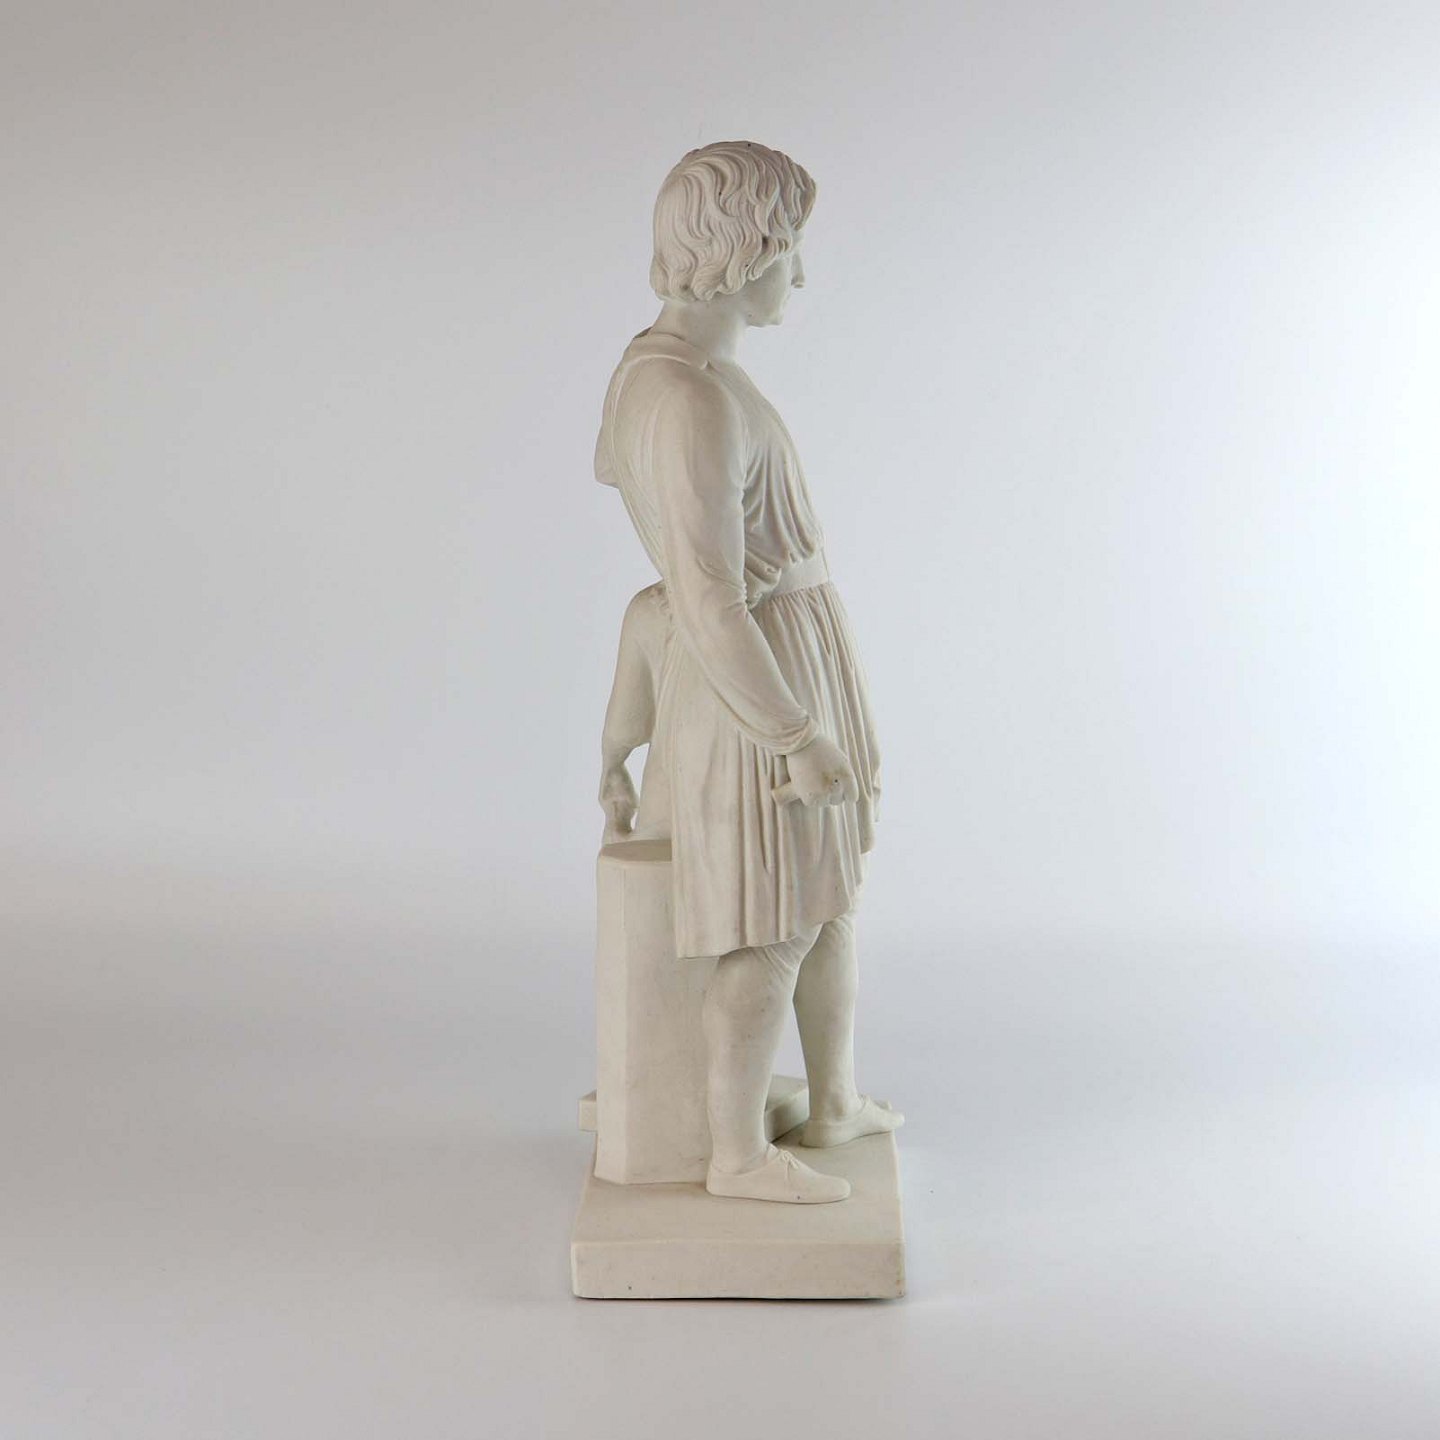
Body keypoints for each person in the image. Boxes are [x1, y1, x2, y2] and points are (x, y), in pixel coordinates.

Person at [594, 141, 901, 1204]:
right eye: (790, 250)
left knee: (827, 900)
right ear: (744, 250)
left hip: (789, 654)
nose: (799, 277)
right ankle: (736, 1157)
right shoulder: (690, 401)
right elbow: (708, 599)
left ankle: (832, 1100)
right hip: (757, 685)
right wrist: (796, 735)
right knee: (773, 929)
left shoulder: (679, 372)